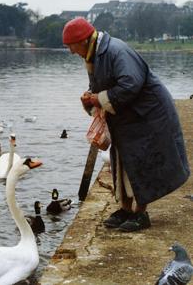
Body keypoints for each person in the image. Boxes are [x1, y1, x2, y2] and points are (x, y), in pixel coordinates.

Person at [62, 17, 190, 232]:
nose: (71, 52)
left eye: (71, 46)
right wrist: (90, 99)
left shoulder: (115, 51)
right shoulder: (96, 54)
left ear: (83, 41)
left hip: (149, 115)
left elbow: (131, 83)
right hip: (131, 117)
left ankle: (140, 213)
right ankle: (125, 209)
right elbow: (103, 88)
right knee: (123, 161)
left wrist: (99, 98)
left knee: (143, 161)